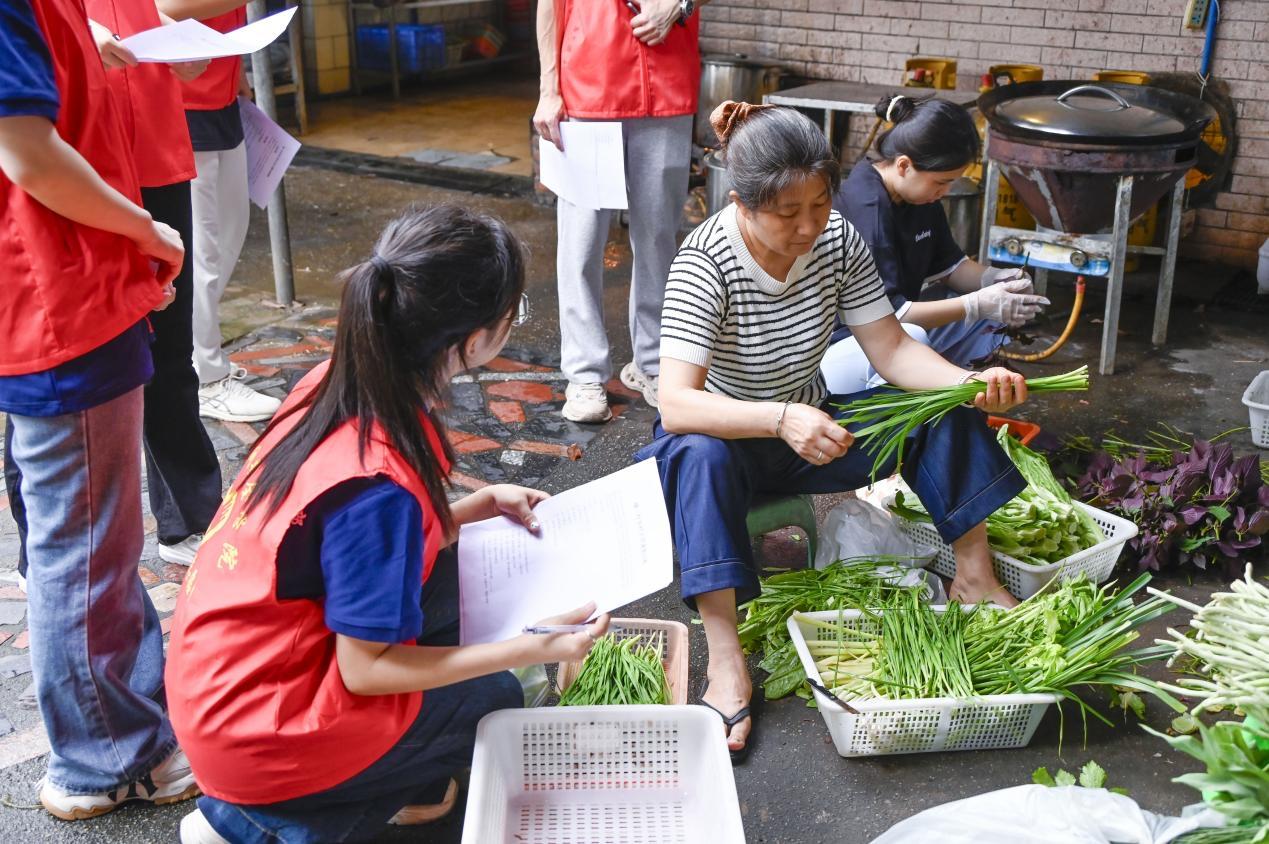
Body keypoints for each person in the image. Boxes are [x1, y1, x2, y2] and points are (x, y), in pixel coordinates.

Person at [166, 205, 609, 844]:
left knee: (464, 579)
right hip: (256, 726)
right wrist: (531, 651)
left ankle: (384, 784)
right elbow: (365, 672)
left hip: (225, 672)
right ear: (475, 339)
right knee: (494, 701)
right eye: (514, 312)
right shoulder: (382, 483)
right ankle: (252, 823)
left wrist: (470, 511)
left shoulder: (338, 381)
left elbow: (343, 553)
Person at [636, 102, 1033, 763]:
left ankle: (973, 577)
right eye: (785, 214)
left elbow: (890, 349)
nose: (806, 227)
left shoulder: (836, 241)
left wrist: (967, 384)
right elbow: (677, 404)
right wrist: (776, 418)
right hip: (731, 437)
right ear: (741, 201)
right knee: (693, 453)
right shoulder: (703, 262)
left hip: (815, 428)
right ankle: (727, 661)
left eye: (817, 205)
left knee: (937, 407)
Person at [0, 0, 198, 819]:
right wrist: (144, 228)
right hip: (61, 303)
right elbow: (28, 154)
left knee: (76, 539)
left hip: (63, 294)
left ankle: (110, 732)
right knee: (85, 548)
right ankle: (105, 759)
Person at [3, 1, 223, 584]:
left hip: (143, 145)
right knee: (50, 377)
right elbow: (26, 148)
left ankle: (189, 514)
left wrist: (176, 44)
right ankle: (42, 547)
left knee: (169, 352)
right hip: (69, 166)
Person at [533, 0, 704, 422]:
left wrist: (680, 5)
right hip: (587, 90)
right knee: (582, 243)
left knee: (659, 240)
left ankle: (655, 364)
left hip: (667, 88)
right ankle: (585, 374)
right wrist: (548, 89)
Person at [820, 94, 1050, 395]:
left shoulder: (917, 194)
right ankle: (937, 396)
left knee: (984, 305)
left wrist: (995, 280)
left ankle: (958, 387)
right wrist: (977, 304)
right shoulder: (867, 212)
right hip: (844, 347)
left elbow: (951, 267)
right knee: (922, 330)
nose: (945, 191)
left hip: (890, 331)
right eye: (941, 182)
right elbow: (891, 315)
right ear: (904, 166)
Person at [160, 0, 280, 422]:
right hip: (181, 102)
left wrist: (239, 72)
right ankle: (206, 379)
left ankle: (199, 357)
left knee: (230, 231)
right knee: (202, 249)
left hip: (220, 94)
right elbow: (157, 7)